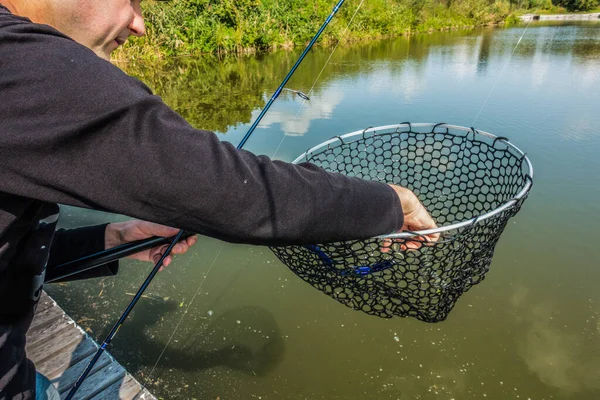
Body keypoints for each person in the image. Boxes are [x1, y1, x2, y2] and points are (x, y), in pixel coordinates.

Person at [0, 0, 438, 398]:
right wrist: (391, 203)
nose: (140, 25)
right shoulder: (20, 63)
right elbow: (231, 192)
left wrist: (108, 240)